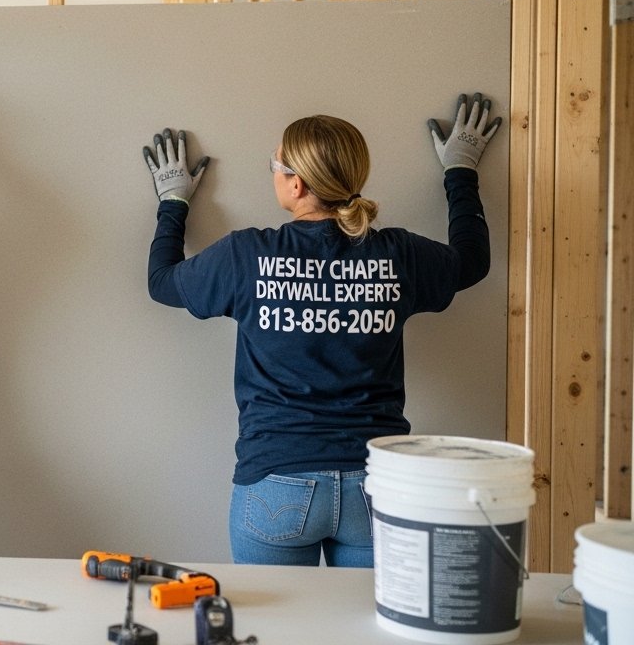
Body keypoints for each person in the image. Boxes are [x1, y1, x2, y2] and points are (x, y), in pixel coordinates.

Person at [142, 93, 500, 567]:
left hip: (275, 483)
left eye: (276, 163)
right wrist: (461, 171)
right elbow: (472, 263)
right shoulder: (398, 254)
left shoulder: (245, 256)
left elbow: (161, 282)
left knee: (275, 635)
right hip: (375, 486)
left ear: (296, 185)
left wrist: (172, 202)